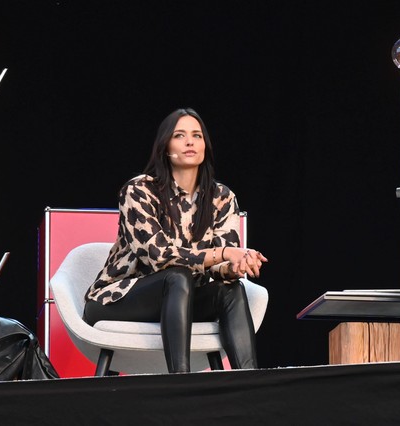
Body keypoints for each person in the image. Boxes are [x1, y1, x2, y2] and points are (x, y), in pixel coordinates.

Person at [83, 107, 268, 373]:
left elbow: (219, 266)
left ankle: (250, 385)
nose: (190, 141)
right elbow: (160, 257)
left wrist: (236, 265)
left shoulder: (222, 197)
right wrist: (226, 253)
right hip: (117, 299)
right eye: (180, 135)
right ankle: (181, 383)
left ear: (205, 146)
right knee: (177, 276)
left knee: (230, 289)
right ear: (165, 146)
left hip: (182, 298)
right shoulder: (139, 190)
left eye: (197, 135)